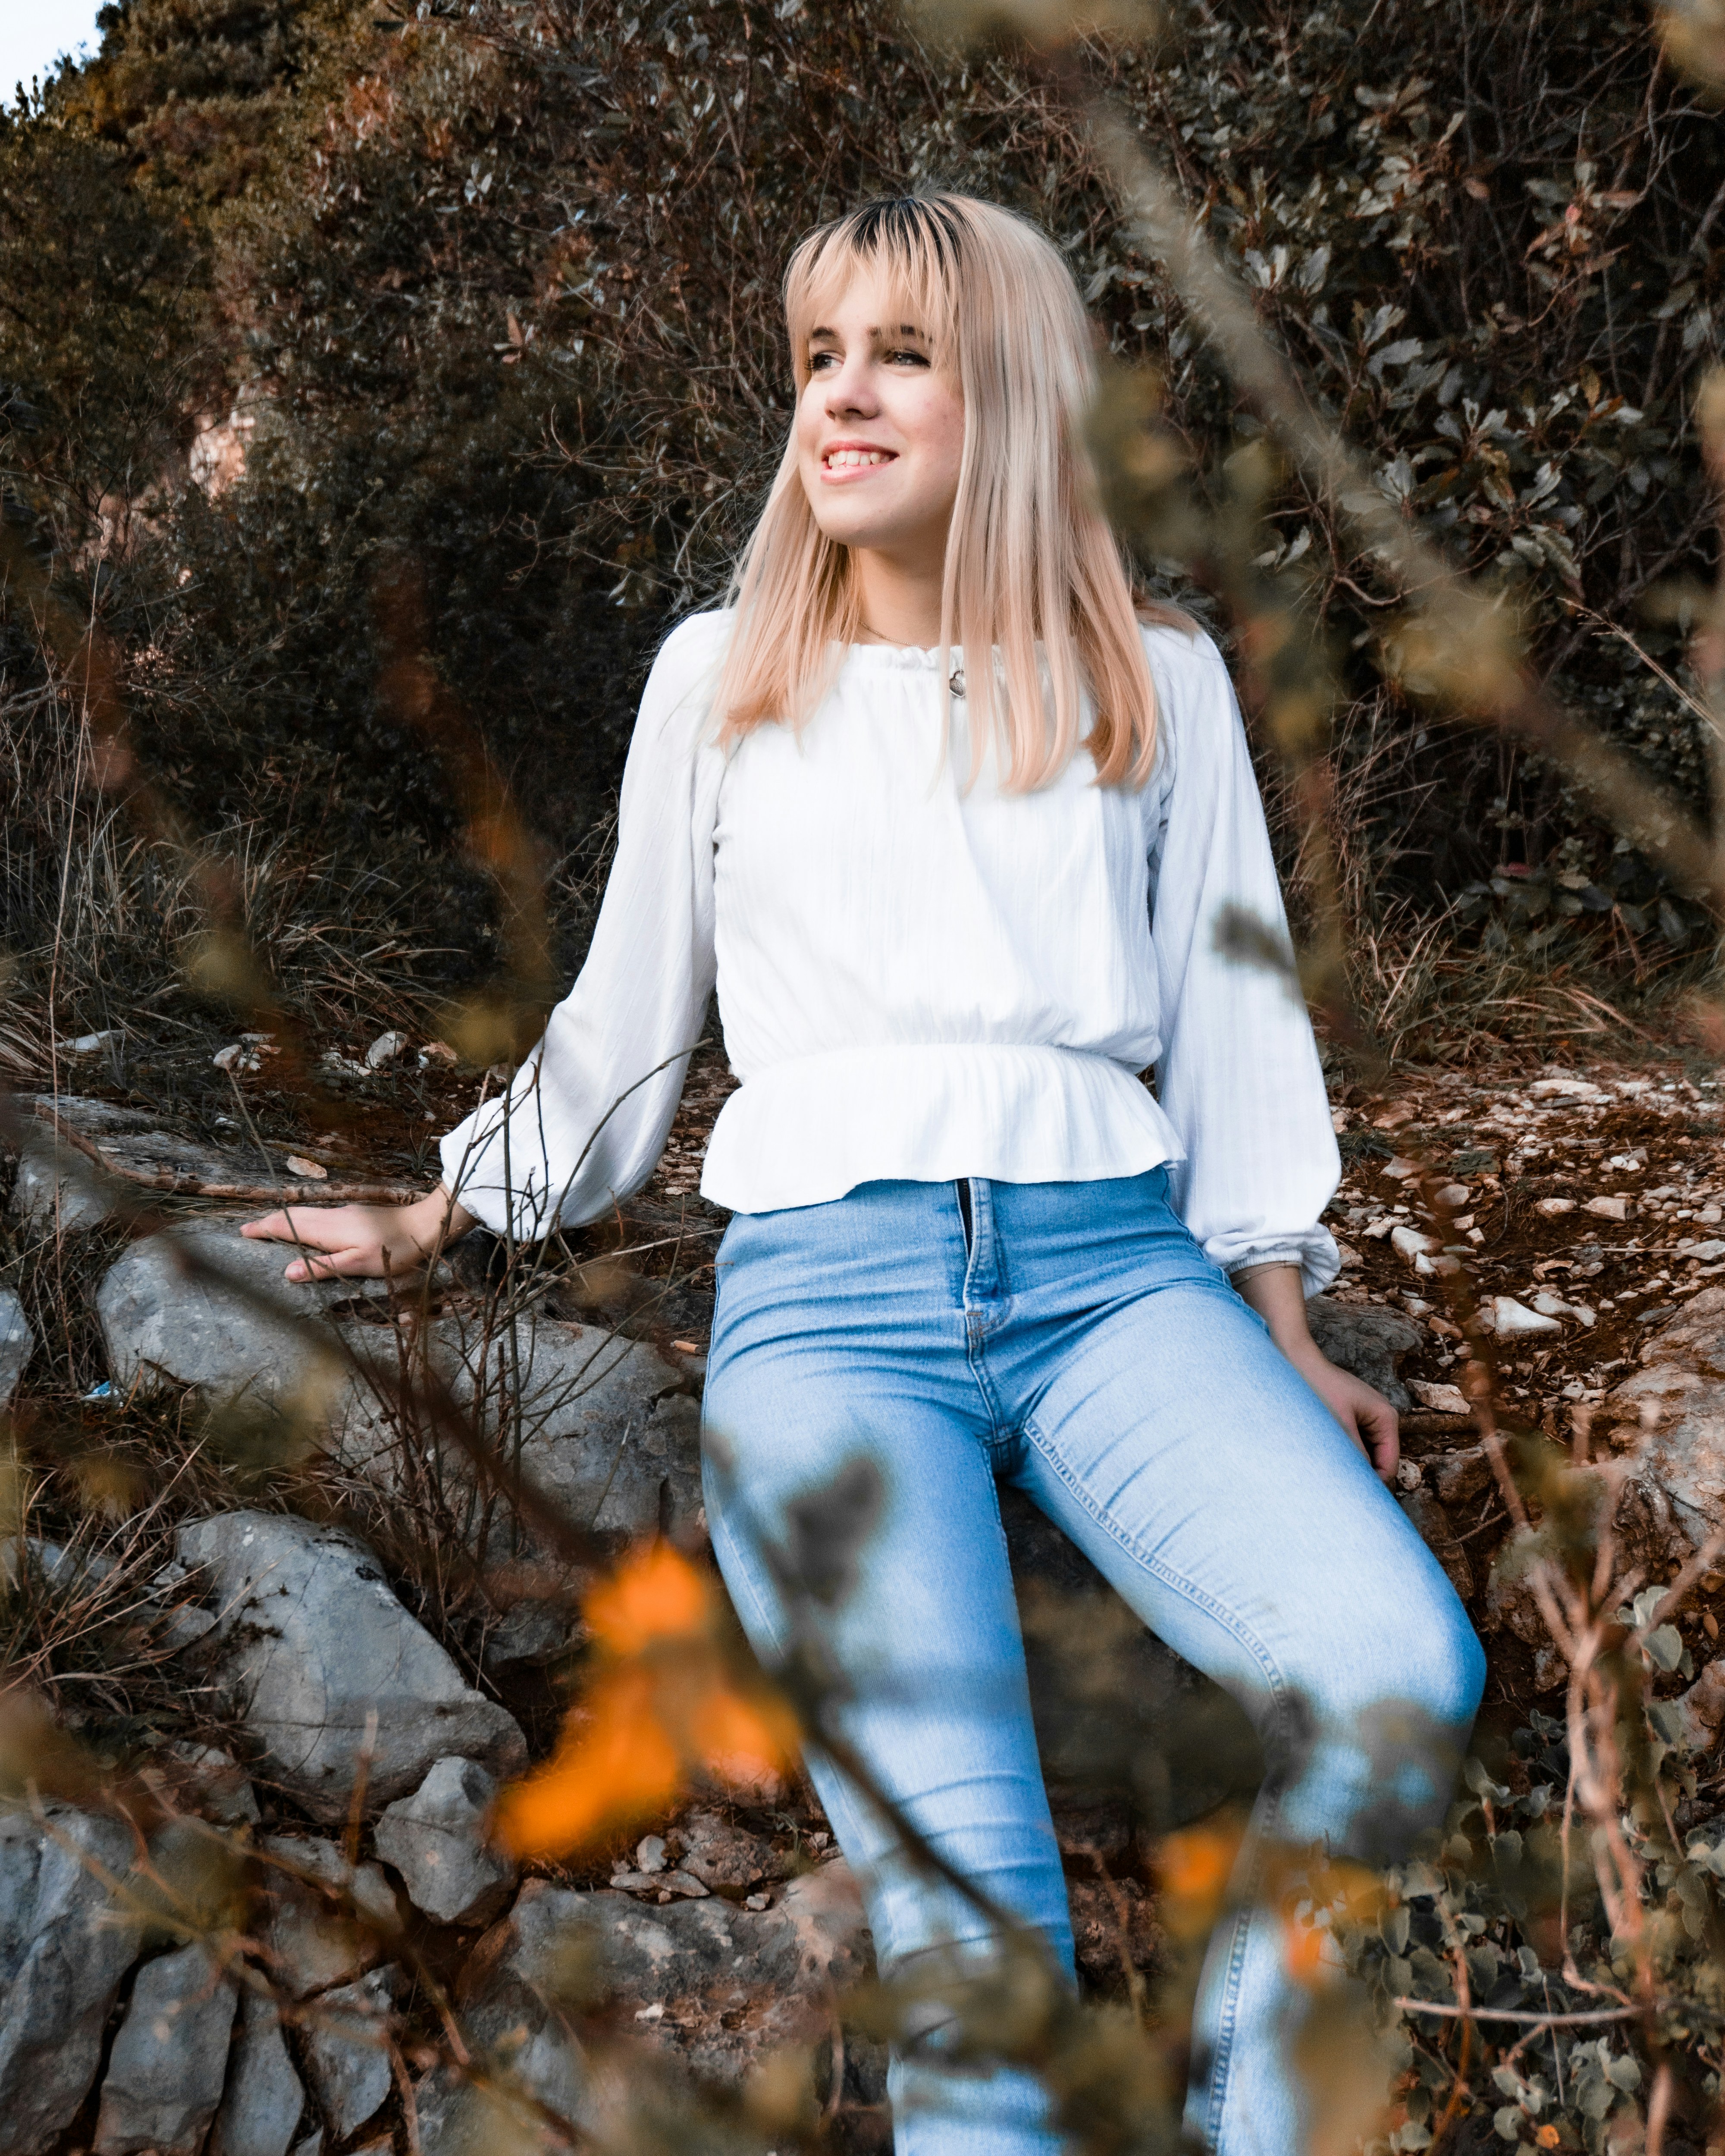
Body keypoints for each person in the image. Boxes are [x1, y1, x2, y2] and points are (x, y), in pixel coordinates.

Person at [245, 190, 1486, 2155]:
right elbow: (624, 1014)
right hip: (831, 1312)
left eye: (903, 355)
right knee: (979, 1933)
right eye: (818, 356)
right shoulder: (721, 677)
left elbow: (1234, 1024)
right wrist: (446, 1204)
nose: (842, 395)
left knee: (1396, 1668)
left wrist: (1281, 1321)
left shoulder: (1151, 679)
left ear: (1017, 396)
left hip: (1117, 1285)